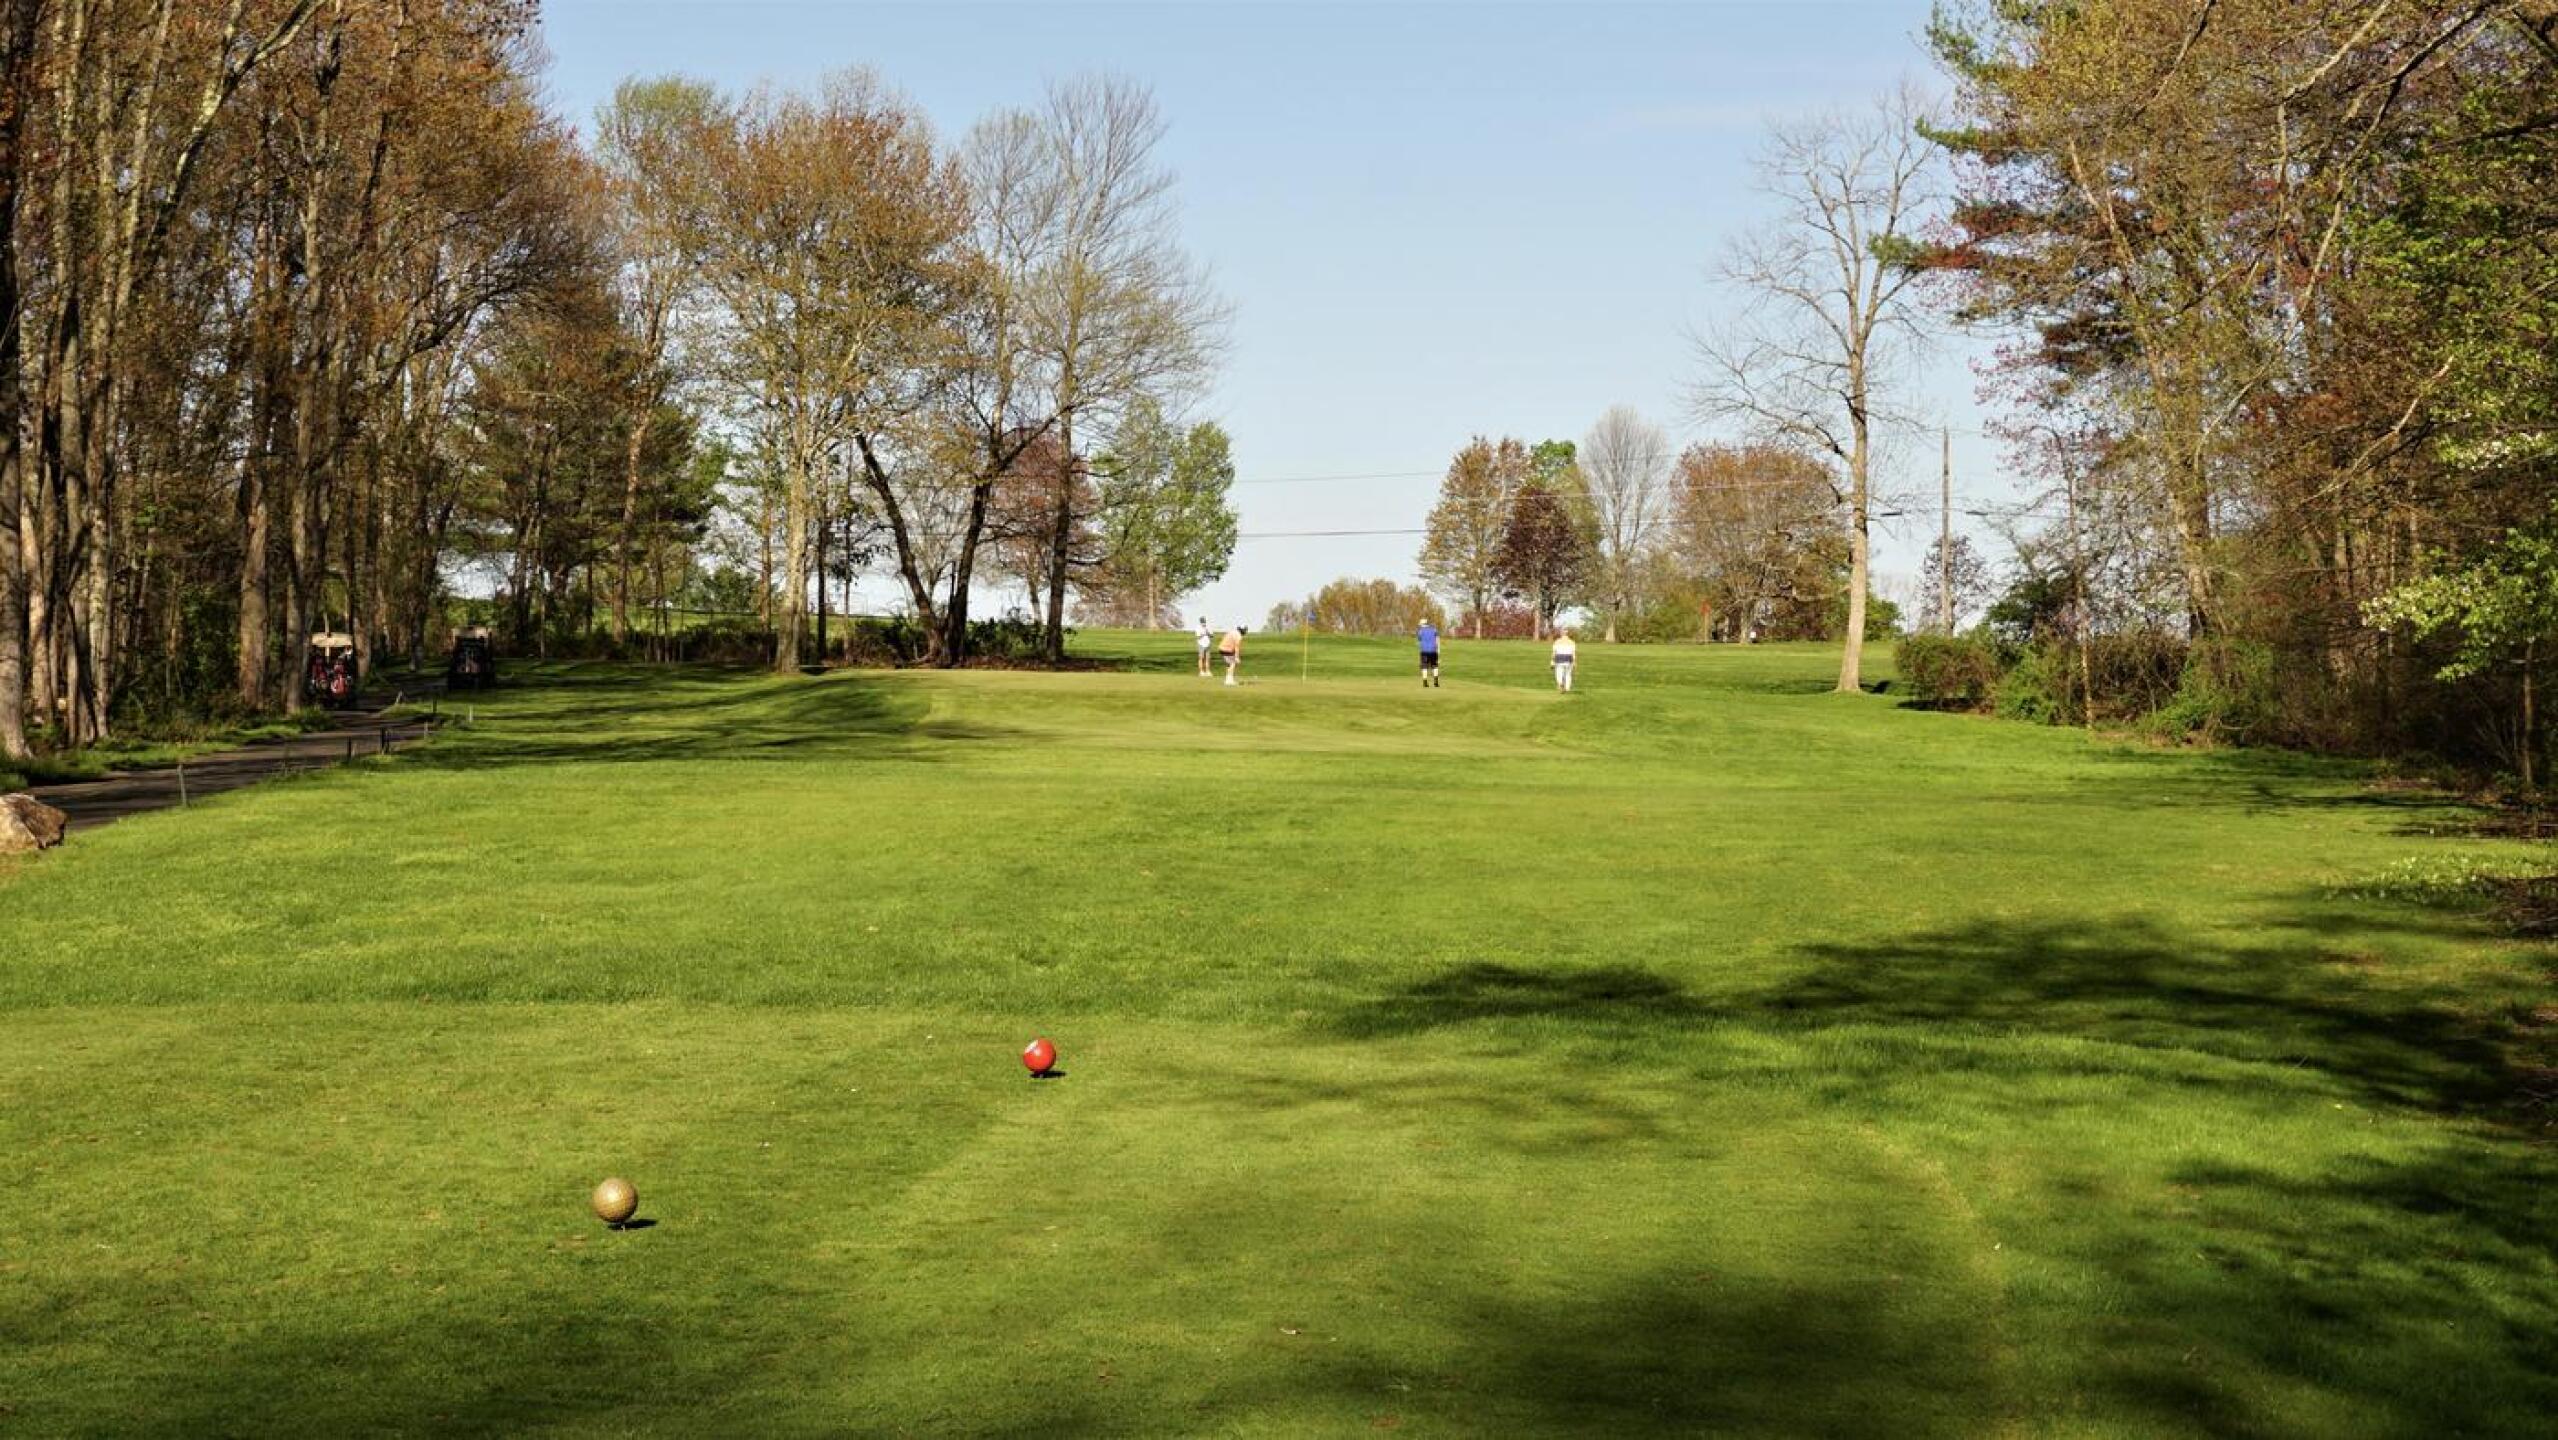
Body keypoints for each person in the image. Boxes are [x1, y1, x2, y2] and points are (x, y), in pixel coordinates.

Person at [1551, 626, 1577, 692]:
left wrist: (1552, 661)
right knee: (1568, 674)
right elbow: (1573, 653)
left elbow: (1554, 653)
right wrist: (1574, 662)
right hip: (1569, 659)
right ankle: (1567, 688)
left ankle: (1560, 683)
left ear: (1561, 633)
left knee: (1559, 673)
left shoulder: (1557, 642)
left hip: (1559, 658)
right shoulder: (1572, 642)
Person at [1417, 617, 1441, 688]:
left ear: (1422, 624)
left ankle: (1425, 683)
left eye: (1420, 624)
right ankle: (1436, 683)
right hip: (1433, 651)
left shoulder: (1420, 631)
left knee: (1424, 667)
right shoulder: (1434, 630)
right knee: (1435, 666)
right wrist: (1438, 649)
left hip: (1424, 651)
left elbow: (1419, 640)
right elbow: (1438, 640)